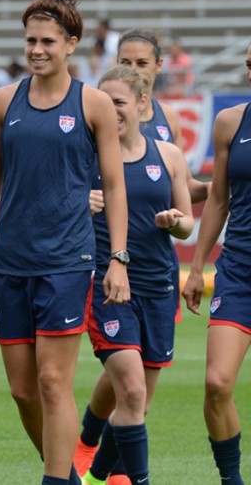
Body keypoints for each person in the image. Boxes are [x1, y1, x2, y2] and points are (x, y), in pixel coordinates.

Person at [0, 0, 129, 485]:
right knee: (22, 390)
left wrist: (117, 258)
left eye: (48, 42)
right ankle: (66, 475)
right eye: (30, 41)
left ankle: (55, 480)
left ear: (71, 46)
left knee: (54, 380)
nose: (36, 50)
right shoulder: (1, 101)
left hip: (67, 261)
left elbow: (115, 187)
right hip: (11, 260)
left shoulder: (94, 103)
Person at [75, 27, 210, 477]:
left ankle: (104, 467)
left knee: (138, 400)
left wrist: (178, 219)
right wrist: (81, 203)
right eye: (104, 102)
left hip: (159, 284)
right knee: (130, 390)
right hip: (109, 284)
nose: (110, 111)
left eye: (119, 102)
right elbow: (52, 204)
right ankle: (126, 472)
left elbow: (189, 220)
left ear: (140, 105)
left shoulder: (167, 152)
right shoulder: (84, 154)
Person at [182, 42, 251, 485]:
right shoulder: (231, 122)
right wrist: (196, 266)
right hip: (239, 270)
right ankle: (231, 481)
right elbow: (218, 199)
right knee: (216, 384)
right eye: (248, 63)